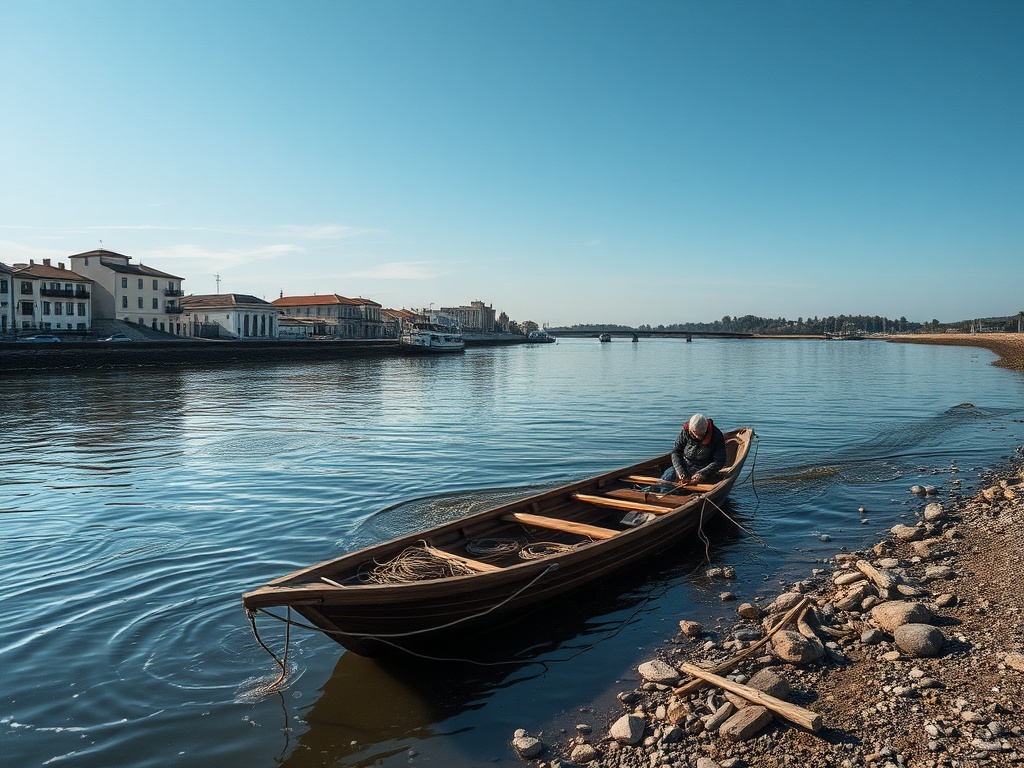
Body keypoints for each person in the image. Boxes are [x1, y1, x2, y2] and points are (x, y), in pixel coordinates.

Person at [660, 413, 727, 488]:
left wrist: (702, 473)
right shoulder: (686, 431)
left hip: (704, 468)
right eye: (696, 434)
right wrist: (680, 471)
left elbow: (719, 461)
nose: (699, 437)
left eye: (702, 434)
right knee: (664, 480)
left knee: (682, 490)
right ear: (691, 430)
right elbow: (676, 452)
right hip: (684, 465)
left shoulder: (716, 436)